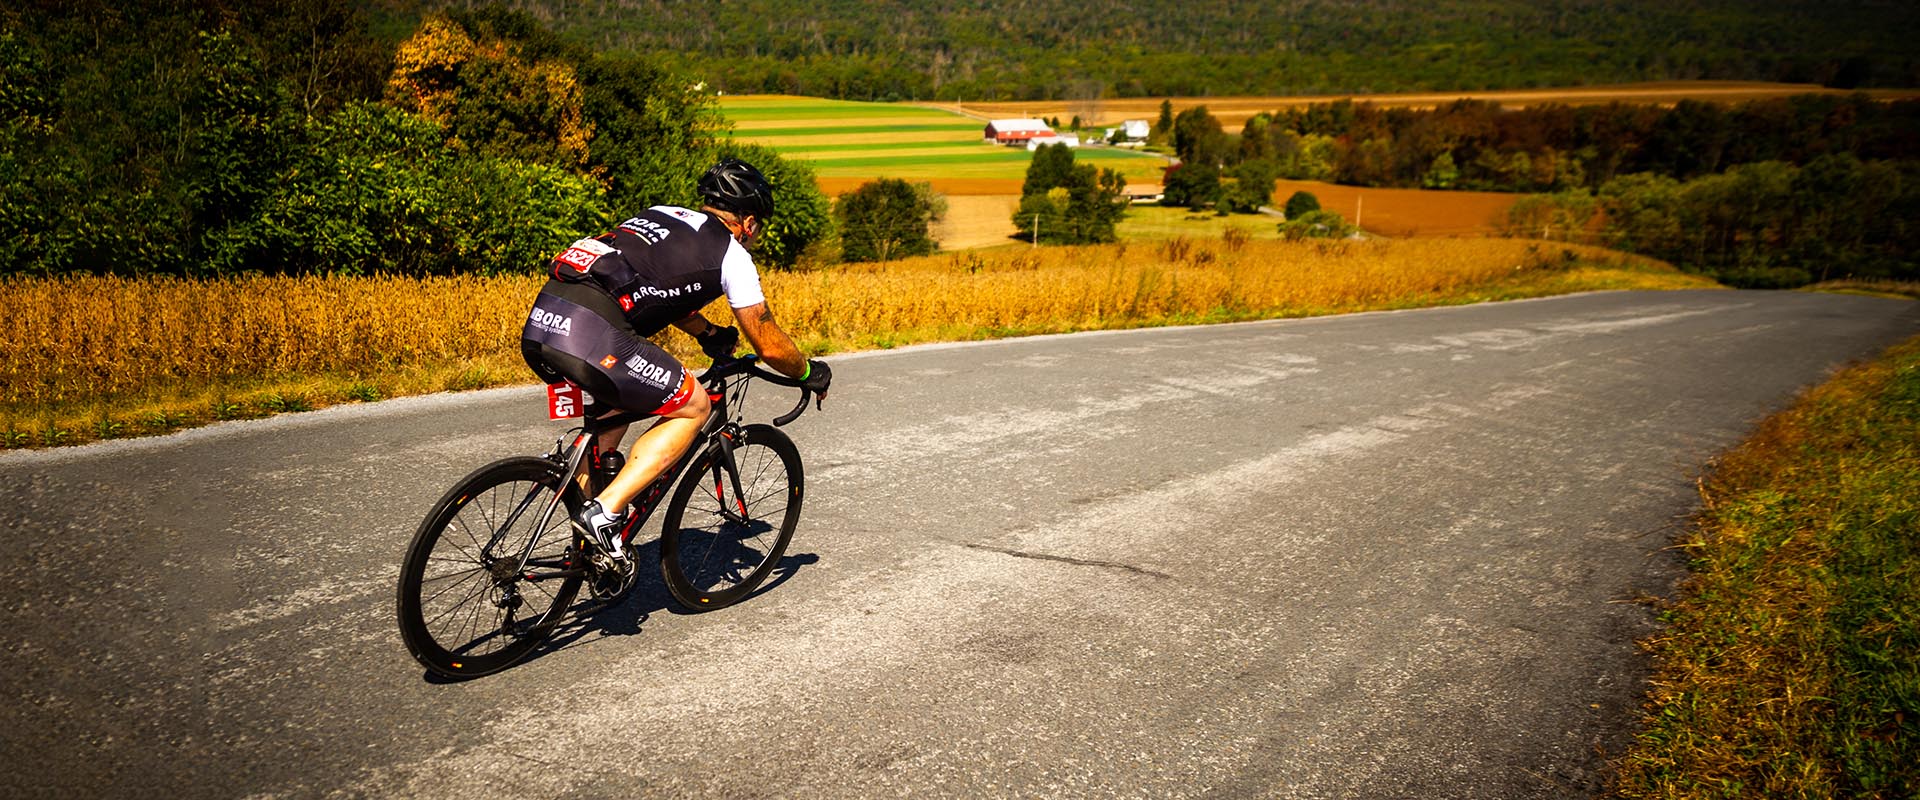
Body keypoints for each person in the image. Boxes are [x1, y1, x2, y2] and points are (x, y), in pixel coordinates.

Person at [520, 158, 832, 563]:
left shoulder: (661, 215)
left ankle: (585, 551)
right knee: (694, 407)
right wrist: (809, 372)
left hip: (545, 320)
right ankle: (604, 513)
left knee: (613, 412)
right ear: (749, 222)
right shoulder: (733, 255)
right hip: (594, 333)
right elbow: (769, 344)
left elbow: (662, 288)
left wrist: (709, 333)